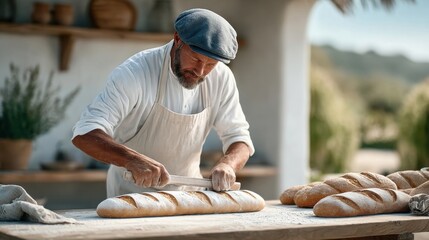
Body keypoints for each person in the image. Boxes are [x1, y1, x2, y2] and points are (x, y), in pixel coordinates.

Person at [71, 8, 255, 198]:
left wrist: (228, 164)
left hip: (190, 198)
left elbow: (238, 137)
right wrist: (131, 159)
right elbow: (85, 133)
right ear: (177, 39)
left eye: (210, 64)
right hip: (131, 198)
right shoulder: (134, 73)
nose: (200, 71)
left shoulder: (222, 78)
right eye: (195, 58)